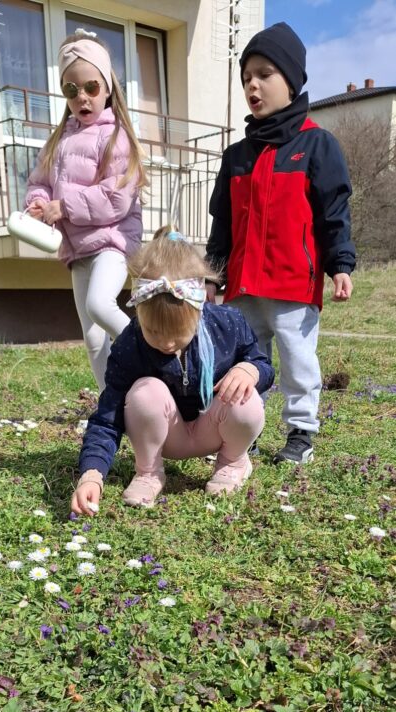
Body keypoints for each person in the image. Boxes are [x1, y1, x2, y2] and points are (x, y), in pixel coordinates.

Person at [206, 21, 356, 464]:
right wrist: (214, 274)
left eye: (265, 74)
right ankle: (241, 431)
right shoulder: (236, 156)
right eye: (246, 77)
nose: (253, 84)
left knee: (296, 361)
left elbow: (334, 213)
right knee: (240, 365)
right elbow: (223, 224)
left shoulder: (317, 146)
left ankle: (300, 433)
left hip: (293, 283)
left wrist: (340, 264)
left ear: (291, 81)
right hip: (242, 287)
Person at [70, 228, 274, 515]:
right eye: (153, 332)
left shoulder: (227, 323)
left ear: (200, 307)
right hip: (166, 438)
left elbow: (263, 363)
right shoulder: (130, 343)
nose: (166, 343)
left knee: (246, 398)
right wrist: (92, 474)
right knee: (144, 393)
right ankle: (149, 472)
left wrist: (250, 369)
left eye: (178, 334)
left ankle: (232, 462)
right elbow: (107, 417)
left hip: (213, 428)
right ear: (139, 311)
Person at [25, 29, 147, 389]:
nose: (83, 97)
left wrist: (65, 206)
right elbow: (39, 182)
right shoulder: (59, 141)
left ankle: (152, 352)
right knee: (93, 339)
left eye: (91, 87)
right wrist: (37, 203)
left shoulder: (117, 136)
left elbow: (117, 198)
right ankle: (115, 403)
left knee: (99, 304)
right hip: (77, 250)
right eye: (71, 90)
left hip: (112, 242)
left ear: (107, 87)